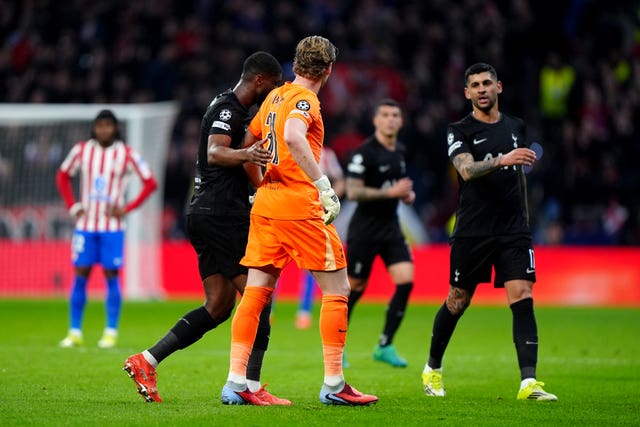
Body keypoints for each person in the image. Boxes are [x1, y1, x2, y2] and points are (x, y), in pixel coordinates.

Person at [123, 52, 290, 405]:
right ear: (260, 80)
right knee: (260, 298)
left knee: (217, 306)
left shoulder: (229, 106)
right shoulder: (228, 110)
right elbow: (216, 152)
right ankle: (251, 386)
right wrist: (248, 156)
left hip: (205, 213)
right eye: (273, 85)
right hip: (222, 215)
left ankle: (146, 360)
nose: (273, 91)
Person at [221, 35, 378, 406]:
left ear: (295, 64)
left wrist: (260, 184)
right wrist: (323, 185)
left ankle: (236, 381)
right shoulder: (306, 100)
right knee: (339, 290)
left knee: (256, 294)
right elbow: (293, 135)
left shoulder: (274, 96)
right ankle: (335, 384)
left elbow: (248, 144)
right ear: (328, 70)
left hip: (266, 204)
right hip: (299, 205)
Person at [421, 63, 557, 401]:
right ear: (467, 93)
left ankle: (529, 383)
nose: (482, 89)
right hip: (473, 229)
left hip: (513, 228)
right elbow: (466, 170)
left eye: (487, 83)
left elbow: (519, 175)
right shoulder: (459, 130)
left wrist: (525, 220)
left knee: (523, 295)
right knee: (458, 300)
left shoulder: (515, 126)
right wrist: (501, 159)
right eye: (475, 85)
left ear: (499, 87)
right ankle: (432, 369)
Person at [56, 109, 158, 349]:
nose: (103, 130)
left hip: (112, 227)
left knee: (111, 276)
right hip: (85, 225)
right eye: (99, 125)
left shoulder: (126, 153)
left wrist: (127, 207)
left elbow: (150, 182)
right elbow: (62, 176)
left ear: (115, 128)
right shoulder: (81, 150)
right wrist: (73, 206)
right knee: (81, 274)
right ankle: (74, 331)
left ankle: (110, 331)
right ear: (94, 128)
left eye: (108, 125)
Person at [344, 99, 415, 368]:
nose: (390, 119)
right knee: (356, 287)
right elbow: (353, 191)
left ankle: (385, 345)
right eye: (385, 115)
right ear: (376, 120)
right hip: (365, 229)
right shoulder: (364, 153)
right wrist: (391, 192)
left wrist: (406, 195)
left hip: (391, 227)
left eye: (395, 115)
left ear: (401, 121)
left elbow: (396, 186)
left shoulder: (400, 151)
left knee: (406, 281)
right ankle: (338, 346)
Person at [295, 145, 345, 330]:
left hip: (314, 215)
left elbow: (340, 181)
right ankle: (269, 311)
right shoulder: (288, 146)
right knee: (277, 264)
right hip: (290, 212)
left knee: (313, 265)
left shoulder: (327, 154)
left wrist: (329, 200)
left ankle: (304, 311)